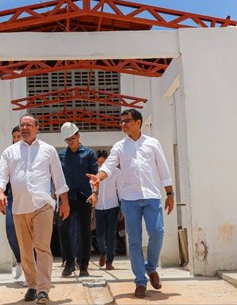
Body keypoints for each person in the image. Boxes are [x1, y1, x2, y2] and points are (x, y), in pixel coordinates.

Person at [87, 109, 174, 299]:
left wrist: (170, 193)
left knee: (157, 232)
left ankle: (151, 267)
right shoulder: (119, 146)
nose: (123, 124)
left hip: (151, 196)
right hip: (130, 199)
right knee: (134, 241)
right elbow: (108, 166)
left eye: (127, 121)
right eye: (122, 121)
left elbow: (163, 169)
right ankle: (140, 281)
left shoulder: (153, 143)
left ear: (138, 122)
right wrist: (98, 178)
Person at [0, 114, 70, 305]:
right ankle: (32, 284)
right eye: (22, 125)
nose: (25, 128)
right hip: (19, 207)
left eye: (29, 125)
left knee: (42, 247)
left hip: (42, 206)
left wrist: (65, 202)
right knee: (25, 251)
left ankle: (43, 290)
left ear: (37, 128)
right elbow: (1, 175)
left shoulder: (48, 150)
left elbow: (58, 178)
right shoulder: (9, 152)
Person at [57, 122, 97, 277]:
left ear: (78, 136)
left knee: (84, 231)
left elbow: (94, 177)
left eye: (73, 138)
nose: (71, 142)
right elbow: (58, 177)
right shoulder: (61, 155)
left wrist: (95, 193)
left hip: (83, 197)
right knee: (63, 230)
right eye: (67, 140)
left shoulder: (89, 154)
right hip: (66, 198)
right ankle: (69, 263)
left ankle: (84, 265)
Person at [88, 150, 119, 271]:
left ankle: (110, 261)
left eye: (103, 162)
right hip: (99, 206)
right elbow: (92, 190)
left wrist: (122, 206)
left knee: (111, 234)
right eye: (99, 162)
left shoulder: (116, 172)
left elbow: (120, 188)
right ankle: (103, 252)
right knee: (99, 234)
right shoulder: (94, 173)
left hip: (113, 205)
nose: (100, 165)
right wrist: (92, 207)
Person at [5, 125, 23, 279]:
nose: (16, 139)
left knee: (31, 235)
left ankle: (31, 270)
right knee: (11, 231)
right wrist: (1, 194)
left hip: (31, 198)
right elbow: (3, 175)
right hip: (12, 198)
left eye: (19, 136)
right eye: (14, 137)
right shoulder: (8, 154)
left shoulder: (33, 153)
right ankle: (19, 261)